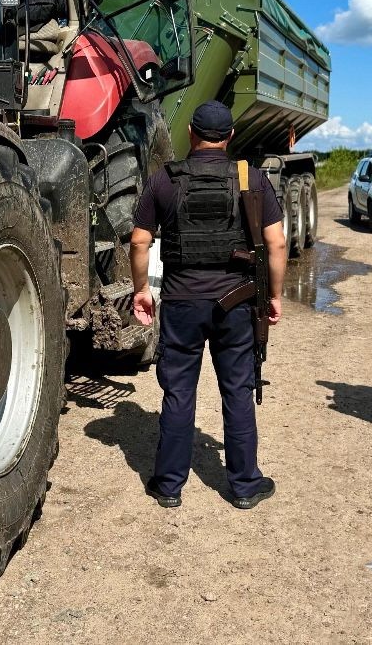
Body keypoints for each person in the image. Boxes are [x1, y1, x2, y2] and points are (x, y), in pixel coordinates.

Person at [129, 101, 287, 508]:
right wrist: (273, 295)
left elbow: (139, 241)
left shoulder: (165, 179)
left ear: (190, 134)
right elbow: (276, 243)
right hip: (237, 305)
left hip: (181, 303)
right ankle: (245, 486)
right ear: (230, 137)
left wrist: (142, 289)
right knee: (238, 391)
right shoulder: (251, 178)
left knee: (179, 392)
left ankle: (168, 486)